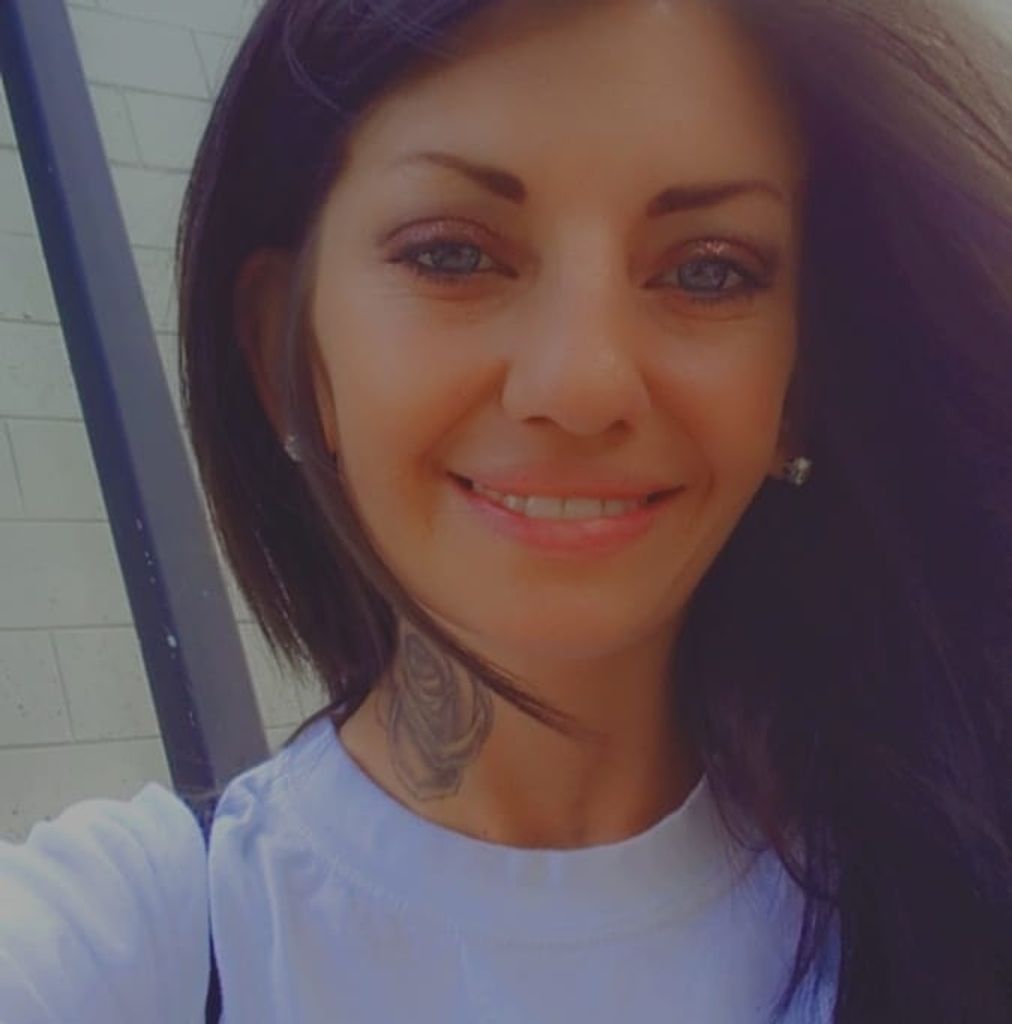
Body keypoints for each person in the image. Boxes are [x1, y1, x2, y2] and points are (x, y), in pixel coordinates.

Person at [2, 0, 1010, 1020]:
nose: (582, 383)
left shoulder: (958, 884)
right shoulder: (137, 945)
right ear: (288, 357)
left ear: (795, 383)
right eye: (453, 254)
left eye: (707, 270)